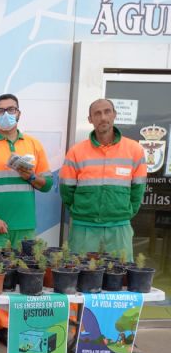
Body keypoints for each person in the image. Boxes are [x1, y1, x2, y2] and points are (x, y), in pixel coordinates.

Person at [0, 94, 53, 353]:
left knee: (16, 283)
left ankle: (6, 330)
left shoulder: (34, 145)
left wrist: (30, 175)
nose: (6, 114)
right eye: (0, 111)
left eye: (11, 109)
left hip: (24, 227)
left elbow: (48, 185)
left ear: (19, 113)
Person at [60, 98, 146, 262]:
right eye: (97, 114)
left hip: (119, 227)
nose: (103, 117)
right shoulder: (76, 152)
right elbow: (66, 190)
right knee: (79, 273)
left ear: (114, 114)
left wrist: (125, 213)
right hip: (84, 227)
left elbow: (138, 189)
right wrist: (81, 211)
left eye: (107, 112)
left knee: (120, 274)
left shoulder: (134, 150)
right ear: (90, 119)